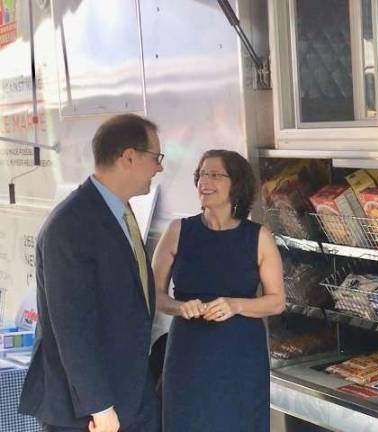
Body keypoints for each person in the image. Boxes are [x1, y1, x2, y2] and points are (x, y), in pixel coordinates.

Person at [18, 114, 164, 432]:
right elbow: (72, 327)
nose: (159, 168)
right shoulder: (69, 226)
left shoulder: (120, 212)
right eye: (156, 158)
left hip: (131, 396)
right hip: (88, 414)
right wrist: (101, 408)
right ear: (129, 157)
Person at [153, 149, 285, 432]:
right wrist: (179, 307)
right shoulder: (178, 231)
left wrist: (235, 305)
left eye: (215, 174)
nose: (205, 181)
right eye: (201, 174)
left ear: (236, 184)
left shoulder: (258, 236)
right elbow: (154, 295)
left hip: (239, 356)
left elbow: (276, 302)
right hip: (188, 353)